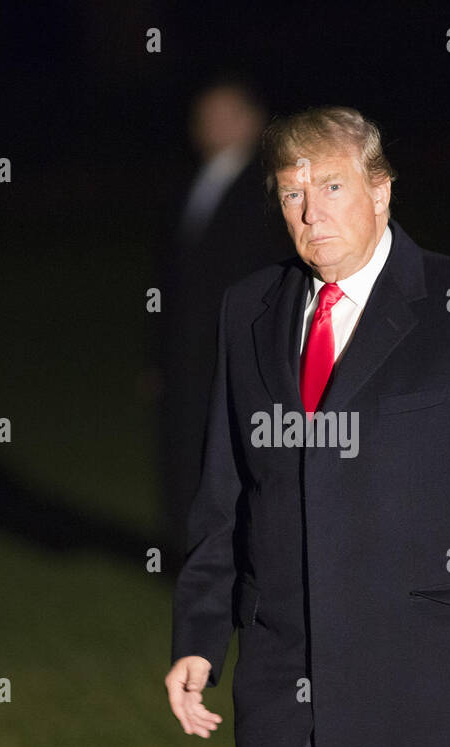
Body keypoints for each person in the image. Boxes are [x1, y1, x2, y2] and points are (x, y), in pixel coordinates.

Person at [165, 105, 450, 747]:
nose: (312, 214)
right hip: (289, 683)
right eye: (291, 194)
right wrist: (200, 636)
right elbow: (225, 492)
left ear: (381, 192)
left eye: (335, 187)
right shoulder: (249, 309)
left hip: (432, 685)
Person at [156, 80, 293, 562]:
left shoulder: (271, 190)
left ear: (253, 121)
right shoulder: (193, 183)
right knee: (183, 453)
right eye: (204, 115)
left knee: (243, 461)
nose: (211, 126)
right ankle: (191, 559)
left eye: (225, 114)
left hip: (237, 352)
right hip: (188, 356)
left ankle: (247, 562)